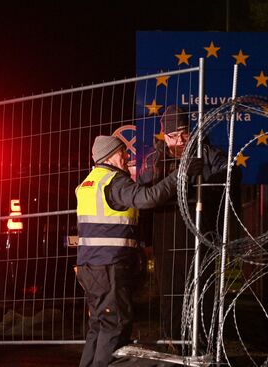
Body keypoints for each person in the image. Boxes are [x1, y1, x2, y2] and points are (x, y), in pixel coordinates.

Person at [75, 134, 202, 367]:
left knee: (98, 326)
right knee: (114, 325)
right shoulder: (114, 181)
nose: (126, 157)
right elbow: (148, 198)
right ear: (110, 156)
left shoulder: (89, 183)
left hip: (89, 268)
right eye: (122, 153)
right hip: (109, 268)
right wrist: (181, 174)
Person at [138, 105, 239, 347]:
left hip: (198, 234)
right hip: (166, 237)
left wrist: (201, 189)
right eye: (174, 135)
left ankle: (201, 342)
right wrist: (145, 240)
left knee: (201, 291)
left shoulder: (205, 152)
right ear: (164, 134)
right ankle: (174, 342)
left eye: (184, 132)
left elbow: (231, 173)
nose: (181, 140)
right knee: (170, 294)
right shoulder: (153, 160)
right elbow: (143, 195)